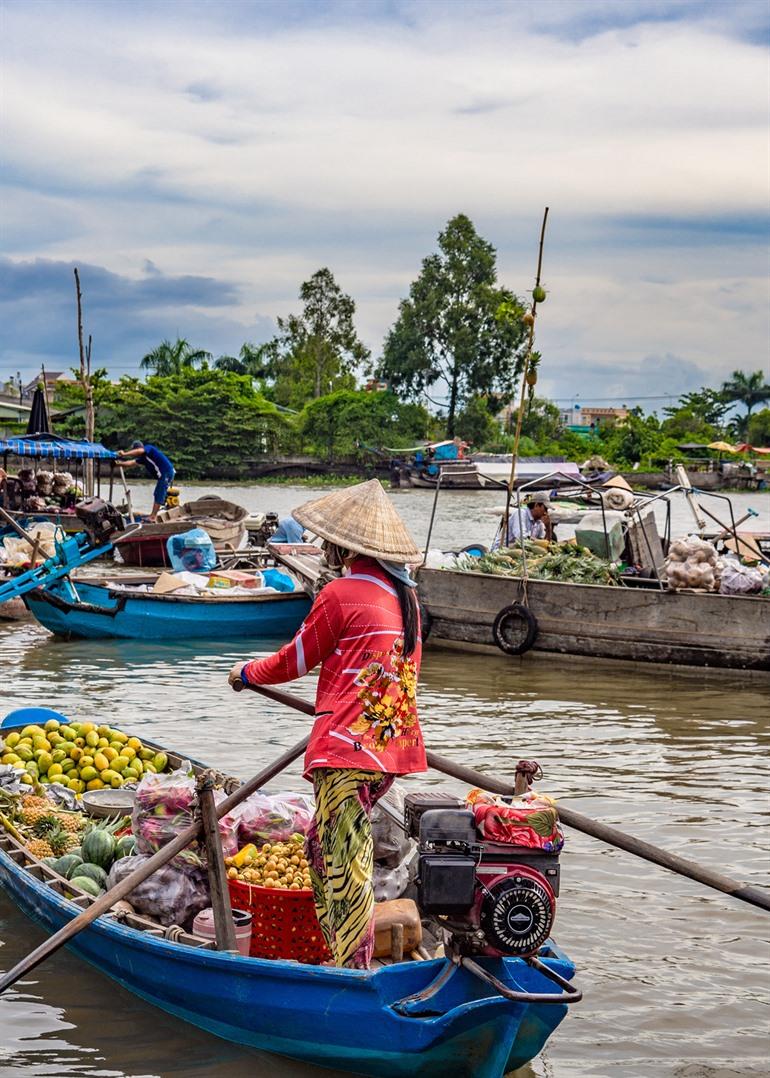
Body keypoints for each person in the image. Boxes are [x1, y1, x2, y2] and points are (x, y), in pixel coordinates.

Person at [228, 479, 427, 969]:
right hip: (388, 748)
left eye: (326, 542)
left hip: (347, 750)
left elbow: (295, 660)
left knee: (344, 863)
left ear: (342, 547)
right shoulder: (406, 598)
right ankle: (348, 953)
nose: (322, 548)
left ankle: (352, 967)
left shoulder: (342, 592)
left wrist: (245, 673)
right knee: (326, 845)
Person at [117, 441, 175, 521]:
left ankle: (153, 517)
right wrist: (119, 464)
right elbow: (131, 463)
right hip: (165, 474)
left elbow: (139, 451)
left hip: (166, 472)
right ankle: (153, 515)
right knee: (157, 493)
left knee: (159, 493)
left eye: (135, 450)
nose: (135, 453)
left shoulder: (149, 448)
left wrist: (124, 454)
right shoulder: (143, 459)